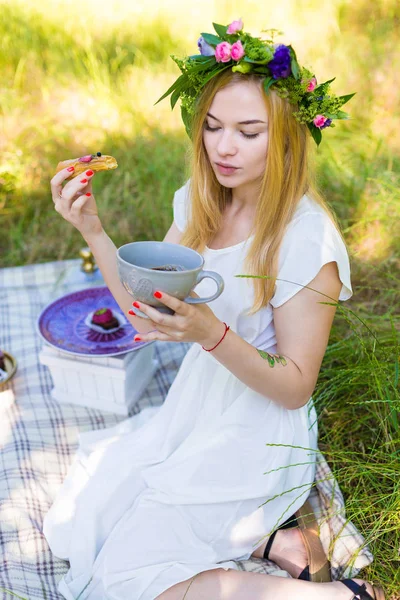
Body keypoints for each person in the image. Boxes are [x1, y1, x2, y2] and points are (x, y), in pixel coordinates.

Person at [43, 20, 385, 600]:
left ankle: (345, 597)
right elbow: (144, 314)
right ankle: (275, 544)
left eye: (249, 132)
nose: (223, 147)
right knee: (87, 516)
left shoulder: (307, 241)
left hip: (256, 433)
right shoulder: (203, 201)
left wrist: (210, 334)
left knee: (125, 580)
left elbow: (296, 386)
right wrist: (94, 231)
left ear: (285, 140)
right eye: (212, 126)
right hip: (196, 411)